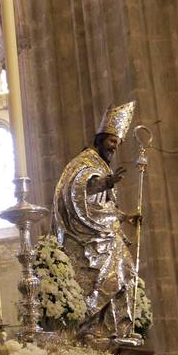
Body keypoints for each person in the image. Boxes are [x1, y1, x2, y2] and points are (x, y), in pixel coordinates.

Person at [52, 101, 142, 342]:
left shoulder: (102, 165)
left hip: (106, 235)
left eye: (118, 143)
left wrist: (124, 217)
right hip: (87, 240)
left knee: (125, 273)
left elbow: (103, 207)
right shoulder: (85, 162)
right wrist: (103, 183)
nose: (115, 147)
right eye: (112, 141)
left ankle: (116, 329)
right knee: (97, 282)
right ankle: (93, 329)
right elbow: (77, 189)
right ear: (100, 138)